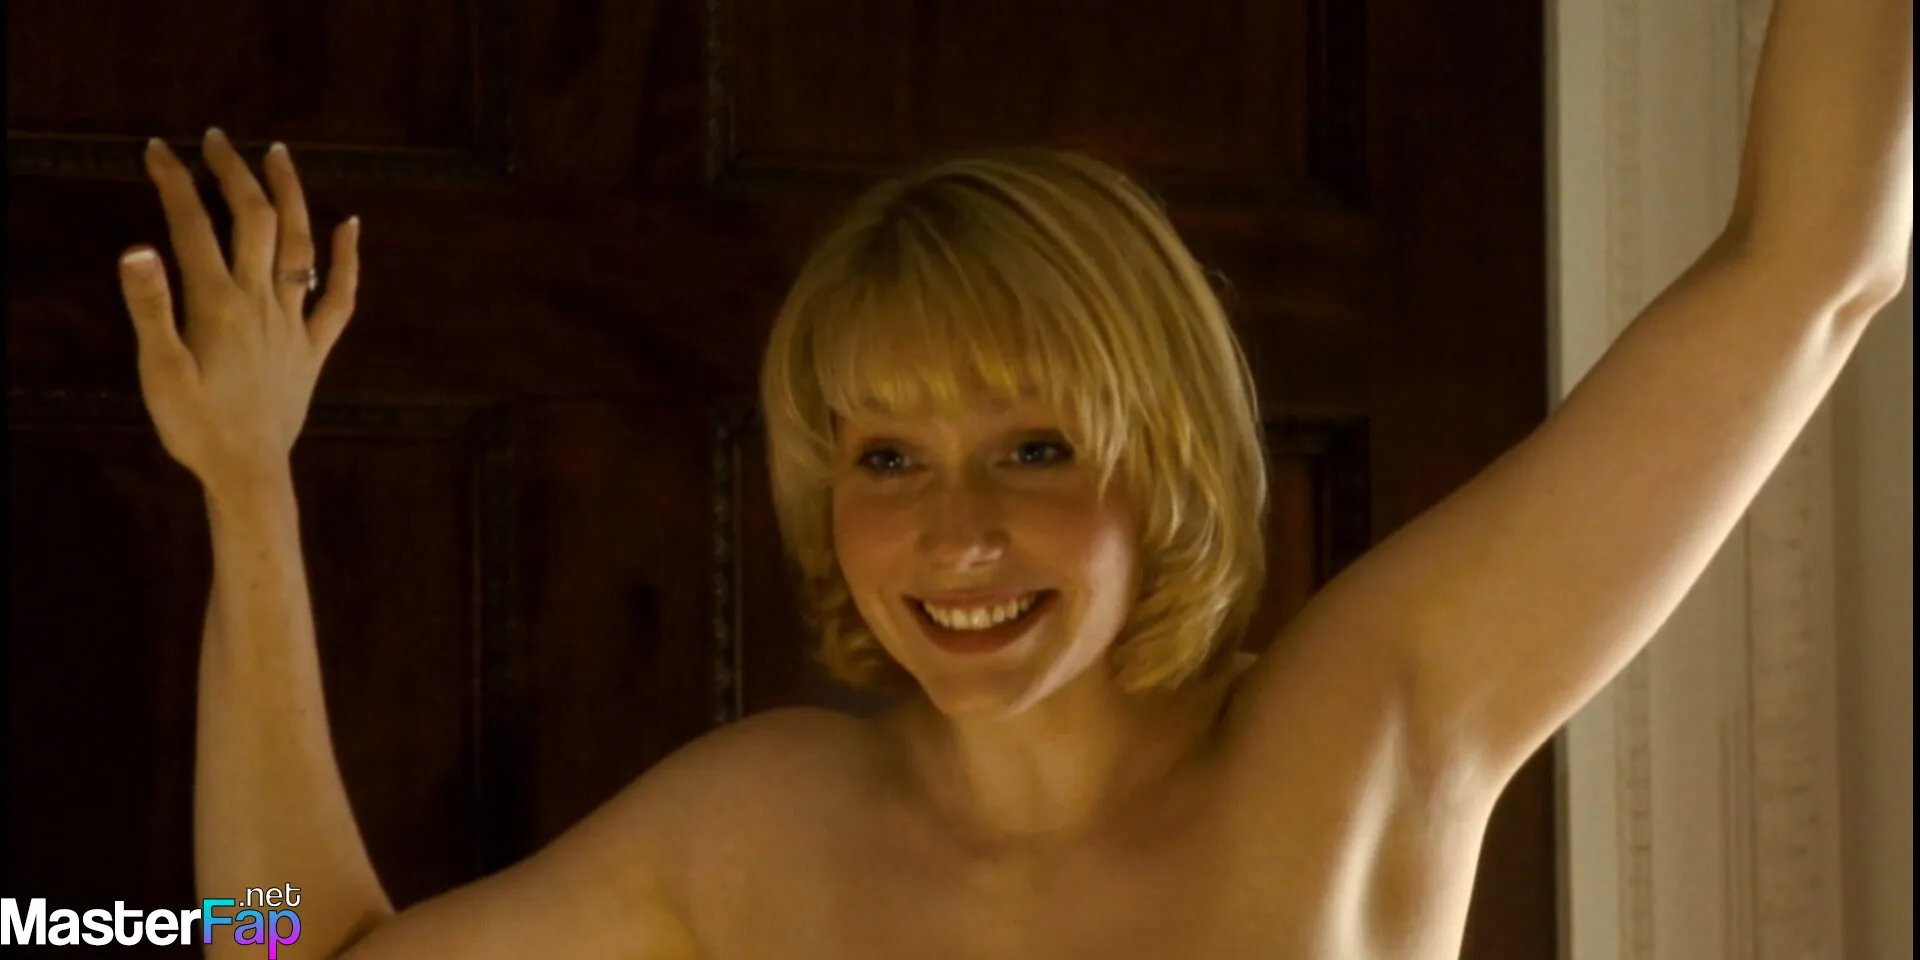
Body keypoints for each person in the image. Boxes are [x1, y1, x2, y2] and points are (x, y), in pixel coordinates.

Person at [120, 0, 1908, 956]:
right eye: (887, 457)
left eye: (1033, 449)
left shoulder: (1361, 730)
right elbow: (280, 958)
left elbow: (1814, 267)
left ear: (1165, 459)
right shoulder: (751, 835)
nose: (953, 534)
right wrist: (247, 483)